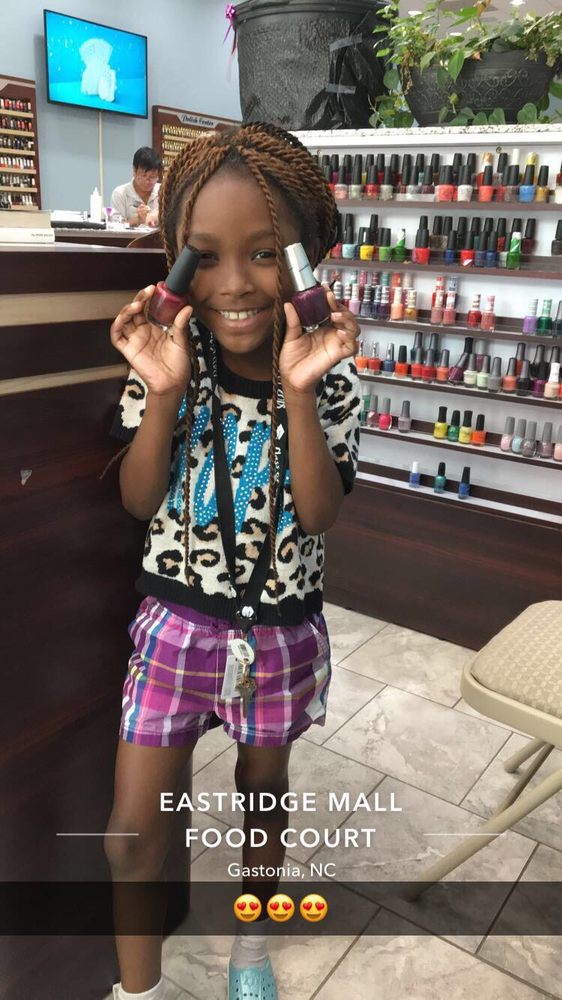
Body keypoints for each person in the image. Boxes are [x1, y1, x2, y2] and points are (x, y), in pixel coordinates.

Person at [104, 122, 361, 1000]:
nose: (236, 284)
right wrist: (164, 392)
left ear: (307, 256)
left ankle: (251, 948)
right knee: (130, 835)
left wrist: (299, 390)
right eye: (204, 257)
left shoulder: (331, 374)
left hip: (280, 630)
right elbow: (138, 500)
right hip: (176, 622)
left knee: (262, 792)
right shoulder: (170, 359)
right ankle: (137, 990)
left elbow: (318, 513)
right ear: (176, 264)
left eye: (264, 253)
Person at [111, 146, 161, 227]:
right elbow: (115, 227)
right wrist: (138, 220)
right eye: (143, 176)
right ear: (134, 171)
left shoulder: (163, 192)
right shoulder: (120, 194)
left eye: (152, 177)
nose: (147, 181)